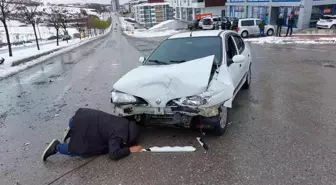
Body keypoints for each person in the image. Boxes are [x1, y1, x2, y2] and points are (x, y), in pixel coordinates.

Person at [42, 108, 143, 161]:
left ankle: (72, 130)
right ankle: (57, 147)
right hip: (85, 126)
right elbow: (114, 154)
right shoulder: (118, 136)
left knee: (92, 129)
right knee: (84, 150)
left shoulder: (123, 121)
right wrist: (129, 149)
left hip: (79, 117)